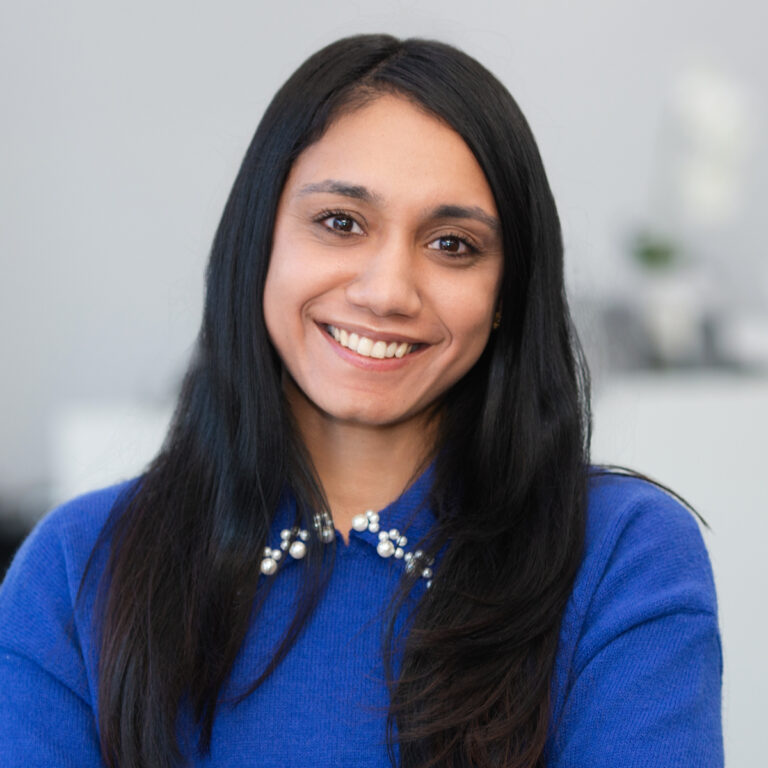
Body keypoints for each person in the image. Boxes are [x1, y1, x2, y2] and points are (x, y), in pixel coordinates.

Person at [0, 34, 722, 768]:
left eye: (452, 244)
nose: (385, 291)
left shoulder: (621, 556)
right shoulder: (76, 567)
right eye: (341, 223)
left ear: (506, 294)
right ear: (260, 243)